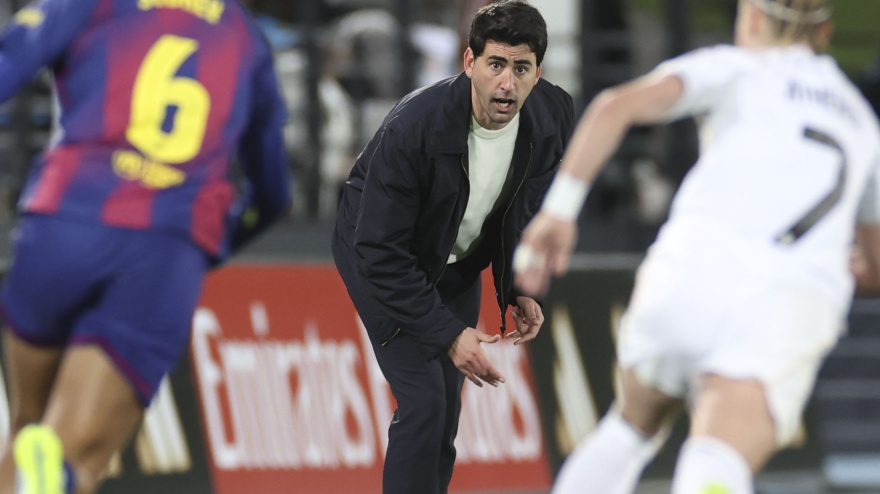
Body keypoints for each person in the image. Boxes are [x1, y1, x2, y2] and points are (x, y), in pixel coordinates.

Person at [513, 0, 880, 493]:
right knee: (717, 461)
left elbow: (613, 106)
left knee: (629, 428)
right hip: (784, 299)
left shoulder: (737, 67)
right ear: (826, 32)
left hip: (691, 271)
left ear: (751, 17)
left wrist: (559, 211)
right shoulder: (862, 121)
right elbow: (874, 265)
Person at [0, 0, 291, 493]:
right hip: (165, 246)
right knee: (76, 461)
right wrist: (212, 245)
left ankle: (37, 464)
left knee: (27, 432)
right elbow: (273, 192)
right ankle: (56, 474)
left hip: (64, 223)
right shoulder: (244, 35)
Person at [331, 1, 573, 492]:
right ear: (469, 63)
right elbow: (379, 250)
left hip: (456, 261)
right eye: (495, 64)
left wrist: (518, 288)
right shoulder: (414, 128)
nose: (507, 83)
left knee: (445, 410)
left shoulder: (552, 114)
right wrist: (447, 332)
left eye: (520, 68)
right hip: (381, 254)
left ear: (537, 72)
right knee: (424, 402)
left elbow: (522, 209)